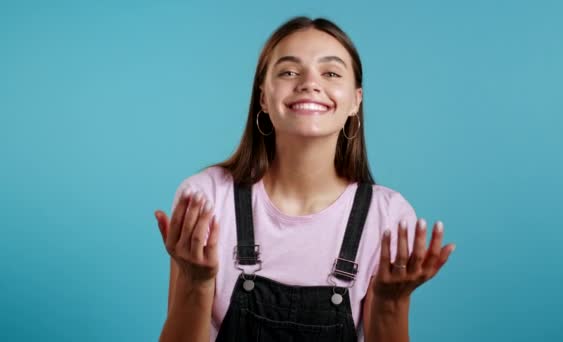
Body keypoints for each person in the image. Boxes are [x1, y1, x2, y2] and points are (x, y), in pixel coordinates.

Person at [154, 16, 456, 342]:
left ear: (356, 101)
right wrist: (196, 283)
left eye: (330, 73)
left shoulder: (388, 218)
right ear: (263, 98)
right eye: (288, 72)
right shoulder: (208, 198)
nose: (310, 83)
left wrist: (390, 303)